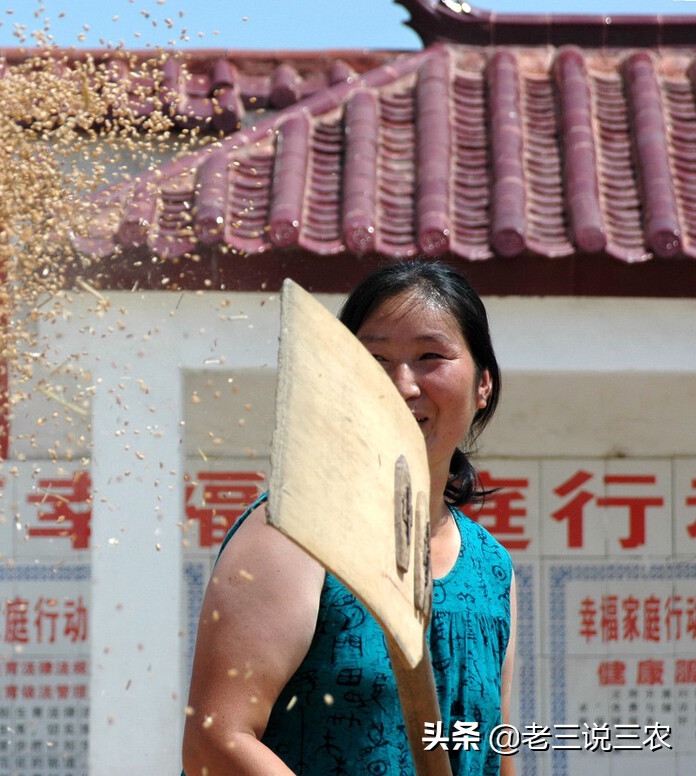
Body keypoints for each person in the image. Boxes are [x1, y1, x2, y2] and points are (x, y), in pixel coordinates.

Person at [181, 262, 517, 776]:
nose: (401, 385)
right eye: (373, 359)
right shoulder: (293, 532)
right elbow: (216, 741)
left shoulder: (493, 568)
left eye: (430, 357)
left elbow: (495, 752)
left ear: (483, 385)